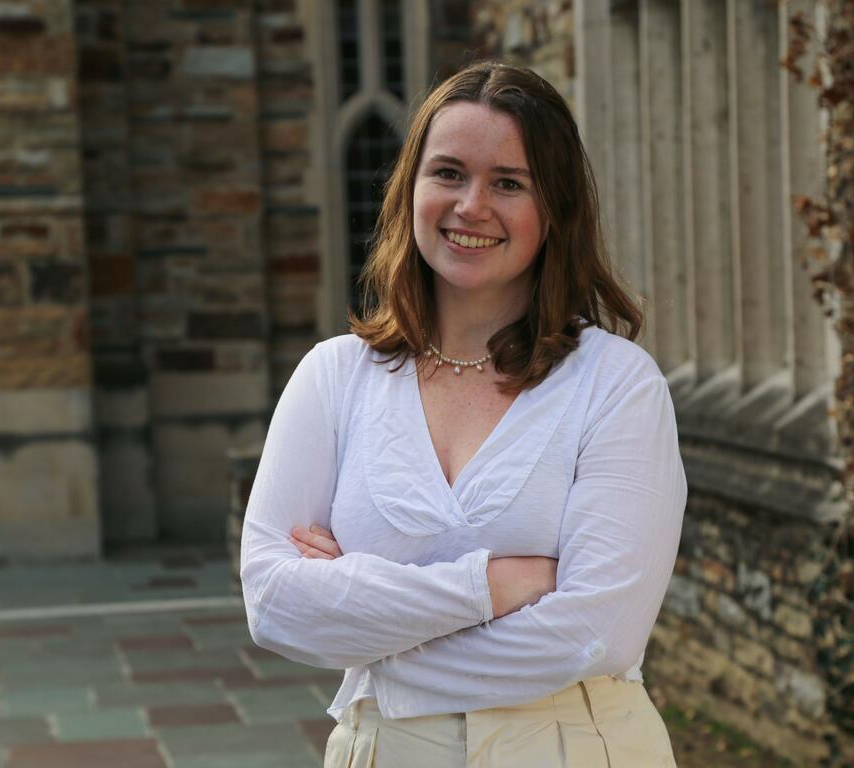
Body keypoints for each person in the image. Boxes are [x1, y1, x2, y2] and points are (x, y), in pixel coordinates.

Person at [240, 61, 686, 767]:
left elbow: (596, 635)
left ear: (556, 210)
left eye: (508, 182)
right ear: (410, 189)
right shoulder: (335, 377)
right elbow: (272, 604)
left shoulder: (614, 384)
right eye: (447, 173)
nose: (471, 205)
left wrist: (372, 638)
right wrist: (492, 586)